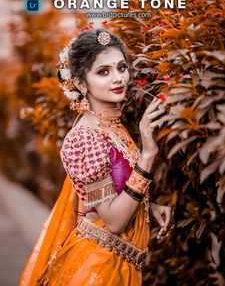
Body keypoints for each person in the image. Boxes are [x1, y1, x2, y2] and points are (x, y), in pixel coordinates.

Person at [20, 28, 172, 286]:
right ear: (80, 83)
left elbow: (112, 192)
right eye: (103, 72)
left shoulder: (110, 127)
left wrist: (148, 207)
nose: (118, 78)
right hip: (96, 268)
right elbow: (113, 221)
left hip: (117, 265)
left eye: (121, 67)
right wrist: (147, 155)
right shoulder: (85, 138)